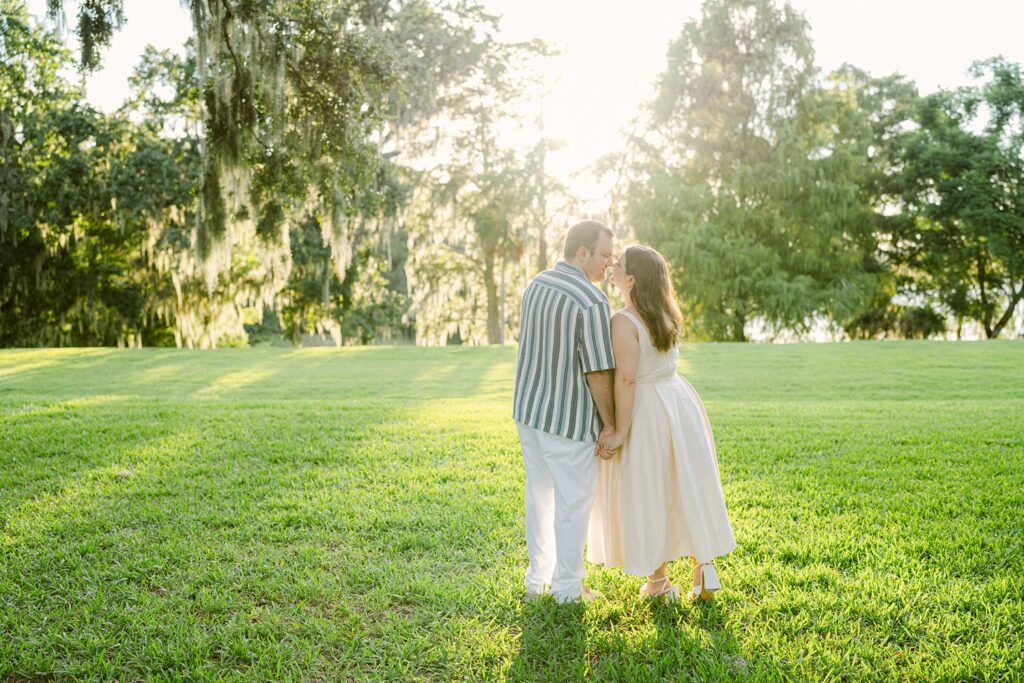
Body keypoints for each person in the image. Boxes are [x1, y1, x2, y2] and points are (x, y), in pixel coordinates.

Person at [588, 245, 736, 603]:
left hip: (648, 409)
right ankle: (704, 569)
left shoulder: (624, 321)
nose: (612, 267)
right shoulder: (668, 313)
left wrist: (619, 429)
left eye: (618, 264)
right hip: (680, 401)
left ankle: (658, 584)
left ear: (632, 279)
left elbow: (626, 380)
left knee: (651, 488)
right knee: (686, 482)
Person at [513, 219, 616, 604]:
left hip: (529, 411)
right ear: (582, 252)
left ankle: (537, 581)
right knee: (573, 504)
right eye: (605, 255)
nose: (611, 262)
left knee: (539, 498)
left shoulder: (536, 284)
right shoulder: (591, 301)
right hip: (568, 421)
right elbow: (598, 371)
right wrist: (610, 423)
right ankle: (569, 590)